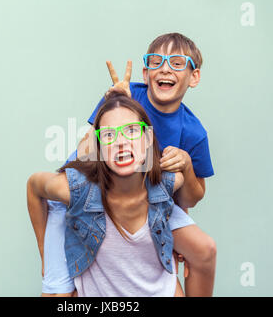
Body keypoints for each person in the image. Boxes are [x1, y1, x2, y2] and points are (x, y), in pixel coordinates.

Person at [38, 32, 216, 296]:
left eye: (177, 63)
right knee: (59, 290)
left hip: (151, 197)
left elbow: (191, 197)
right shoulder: (126, 99)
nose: (165, 67)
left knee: (204, 248)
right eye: (156, 61)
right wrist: (113, 105)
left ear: (194, 77)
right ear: (145, 74)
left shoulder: (193, 132)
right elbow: (87, 152)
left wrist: (187, 166)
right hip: (94, 188)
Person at [28, 92, 193, 296]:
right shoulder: (77, 189)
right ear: (98, 148)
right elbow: (34, 186)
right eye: (108, 135)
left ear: (148, 137)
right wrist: (45, 252)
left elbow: (188, 200)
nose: (121, 142)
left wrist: (175, 243)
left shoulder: (168, 182)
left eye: (131, 131)